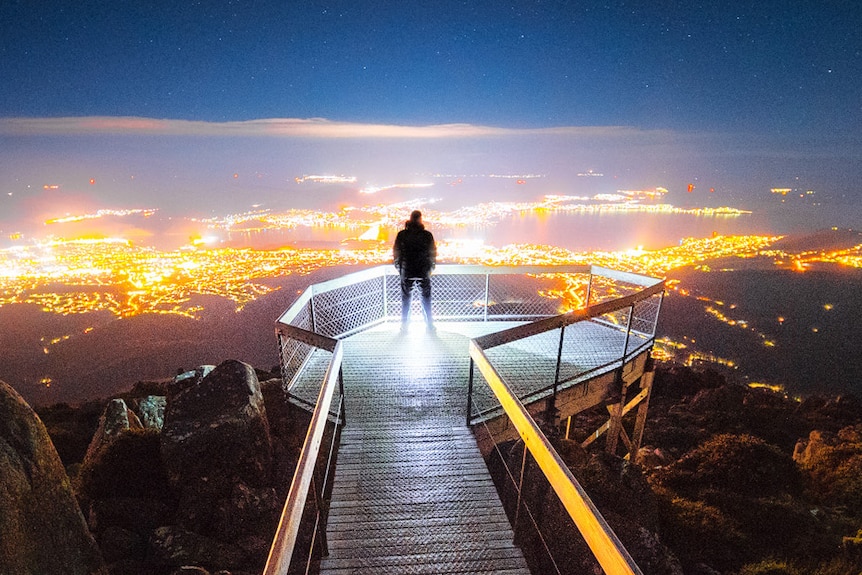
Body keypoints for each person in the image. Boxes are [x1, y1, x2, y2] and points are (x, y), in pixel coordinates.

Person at [393, 210, 437, 331]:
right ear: (420, 219)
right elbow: (432, 253)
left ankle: (405, 325)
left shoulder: (402, 235)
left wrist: (400, 268)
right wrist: (430, 268)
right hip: (423, 271)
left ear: (410, 219)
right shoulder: (427, 235)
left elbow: (396, 253)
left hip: (406, 272)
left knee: (406, 300)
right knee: (426, 300)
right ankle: (429, 325)